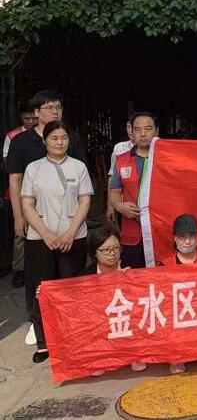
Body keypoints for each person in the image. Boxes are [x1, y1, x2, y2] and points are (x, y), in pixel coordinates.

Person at [5, 90, 87, 343]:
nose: (54, 111)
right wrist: (18, 216)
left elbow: (82, 187)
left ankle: (68, 323)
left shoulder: (72, 138)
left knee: (69, 275)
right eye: (49, 107)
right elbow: (15, 180)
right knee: (38, 276)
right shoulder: (21, 141)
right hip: (36, 220)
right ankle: (37, 323)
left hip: (69, 223)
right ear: (36, 112)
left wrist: (74, 227)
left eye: (58, 107)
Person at [21, 121, 92, 363]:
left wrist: (70, 233)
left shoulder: (78, 167)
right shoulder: (33, 168)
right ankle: (44, 342)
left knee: (72, 288)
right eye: (54, 138)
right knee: (42, 289)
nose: (59, 142)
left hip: (73, 237)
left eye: (63, 138)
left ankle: (72, 338)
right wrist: (46, 234)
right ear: (44, 142)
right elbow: (27, 204)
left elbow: (85, 201)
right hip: (40, 238)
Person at [79, 225, 148, 375]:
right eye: (106, 250)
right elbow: (72, 302)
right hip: (102, 324)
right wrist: (44, 293)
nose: (112, 254)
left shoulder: (132, 266)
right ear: (95, 253)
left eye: (116, 248)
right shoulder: (86, 275)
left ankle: (134, 353)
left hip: (128, 322)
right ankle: (99, 356)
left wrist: (132, 281)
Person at [158, 214, 197, 374]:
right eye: (182, 237)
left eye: (191, 236)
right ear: (175, 239)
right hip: (178, 313)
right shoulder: (165, 264)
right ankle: (178, 356)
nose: (187, 241)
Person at [109, 112, 158, 269]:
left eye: (148, 129)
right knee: (133, 275)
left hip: (161, 231)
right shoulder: (122, 160)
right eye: (138, 129)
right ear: (132, 133)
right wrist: (120, 206)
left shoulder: (168, 158)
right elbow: (114, 192)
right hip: (132, 231)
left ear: (156, 131)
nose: (143, 134)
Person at [2, 107, 36, 288]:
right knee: (21, 229)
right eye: (26, 118)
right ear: (21, 117)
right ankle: (19, 269)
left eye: (33, 118)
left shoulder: (46, 133)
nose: (31, 121)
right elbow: (8, 164)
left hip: (40, 188)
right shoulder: (12, 136)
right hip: (21, 188)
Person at [105, 121, 134, 224]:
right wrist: (110, 205)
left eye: (134, 127)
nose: (131, 130)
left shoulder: (154, 148)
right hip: (122, 204)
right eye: (128, 127)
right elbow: (112, 177)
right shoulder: (119, 147)